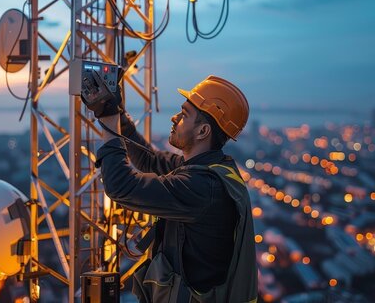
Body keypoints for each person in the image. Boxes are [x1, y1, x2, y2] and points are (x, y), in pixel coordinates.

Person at [85, 74, 258, 303]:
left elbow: (120, 186)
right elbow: (150, 162)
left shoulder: (204, 187)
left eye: (185, 115)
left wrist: (107, 119)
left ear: (203, 131)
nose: (175, 118)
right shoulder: (209, 168)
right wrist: (118, 117)